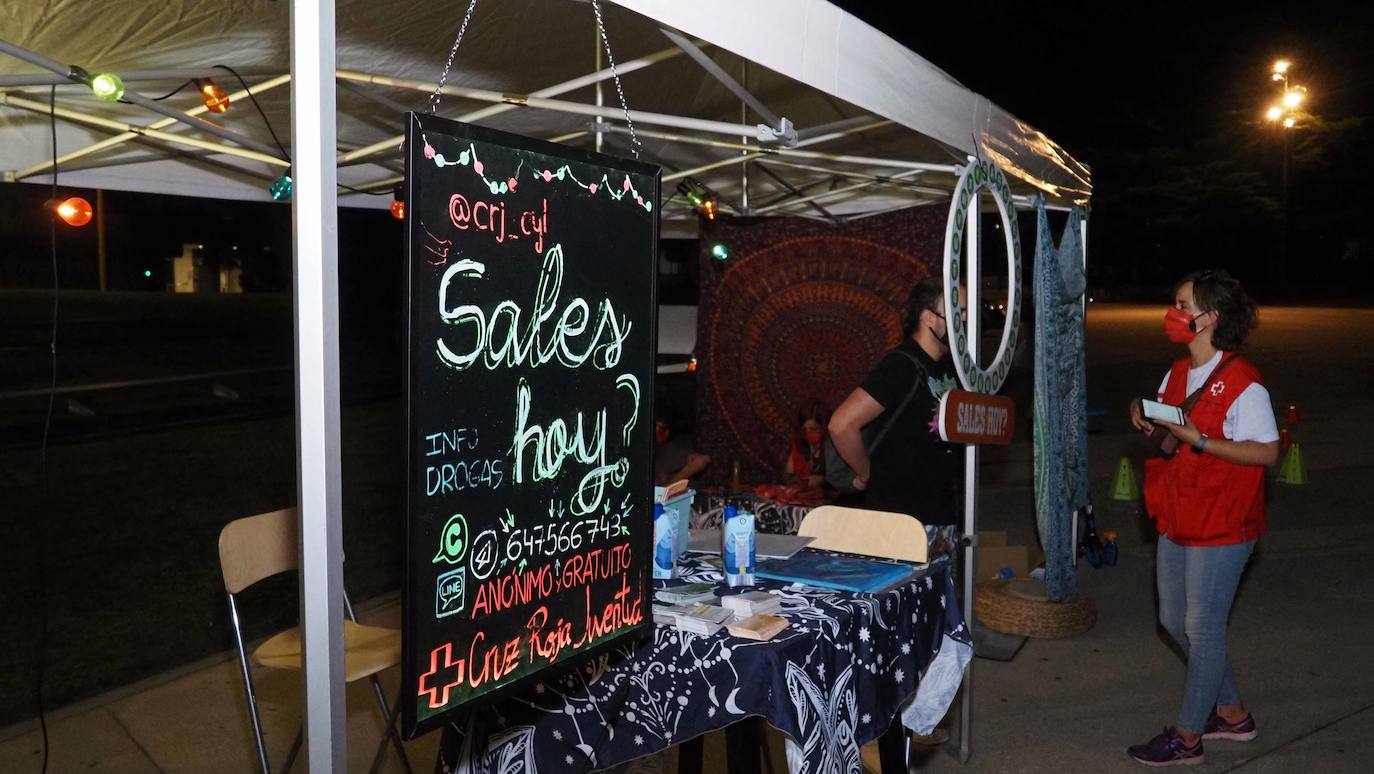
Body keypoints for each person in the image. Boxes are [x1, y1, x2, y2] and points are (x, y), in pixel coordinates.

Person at [1126, 270, 1279, 767]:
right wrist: (1143, 412)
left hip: (1224, 518)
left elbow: (1267, 453)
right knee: (1174, 620)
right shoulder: (1177, 373)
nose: (1174, 313)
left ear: (1211, 317)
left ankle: (1188, 736)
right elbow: (1169, 437)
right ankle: (1231, 713)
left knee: (1204, 626)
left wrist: (1203, 441)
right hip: (1181, 510)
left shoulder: (1242, 381)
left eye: (1183, 304)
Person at [828, 276, 963, 525]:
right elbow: (841, 424)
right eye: (958, 312)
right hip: (898, 518)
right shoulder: (901, 364)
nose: (965, 320)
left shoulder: (953, 366)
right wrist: (865, 472)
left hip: (940, 511)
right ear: (929, 318)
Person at [653, 406, 710, 487]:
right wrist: (688, 470)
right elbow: (659, 496)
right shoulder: (638, 457)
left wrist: (695, 460)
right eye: (657, 426)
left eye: (664, 427)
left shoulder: (668, 449)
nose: (661, 432)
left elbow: (701, 460)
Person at [783, 398, 830, 489]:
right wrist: (800, 482)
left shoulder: (834, 445)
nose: (808, 433)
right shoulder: (800, 442)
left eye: (814, 429)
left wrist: (822, 480)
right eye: (805, 429)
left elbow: (844, 479)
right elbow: (789, 475)